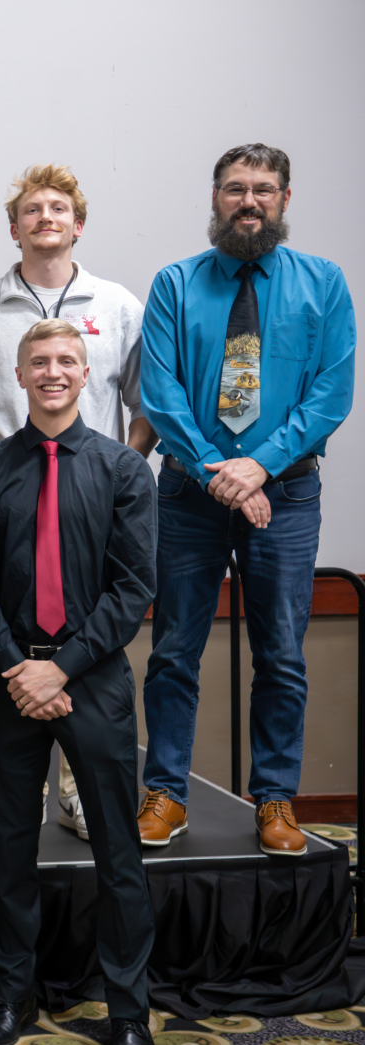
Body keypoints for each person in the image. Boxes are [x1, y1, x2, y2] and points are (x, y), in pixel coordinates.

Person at [139, 144, 356, 856]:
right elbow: (161, 394)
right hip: (188, 495)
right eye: (235, 189)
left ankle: (275, 801)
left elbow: (330, 394)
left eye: (263, 189)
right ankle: (167, 793)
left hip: (285, 496)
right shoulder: (174, 284)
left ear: (285, 199)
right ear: (215, 197)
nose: (248, 202)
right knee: (173, 649)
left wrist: (256, 468)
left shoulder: (323, 284)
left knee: (282, 656)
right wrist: (216, 471)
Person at [0, 320, 157, 1045]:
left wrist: (62, 667)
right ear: (18, 375)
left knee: (118, 850)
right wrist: (22, 667)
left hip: (94, 681)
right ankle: (11, 998)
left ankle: (129, 1010)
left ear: (85, 373)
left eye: (66, 361)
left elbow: (133, 588)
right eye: (38, 361)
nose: (51, 371)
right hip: (9, 680)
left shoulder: (124, 470)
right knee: (11, 848)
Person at [0, 164, 157, 843]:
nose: (46, 217)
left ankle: (76, 791)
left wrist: (116, 468)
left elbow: (144, 398)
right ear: (13, 228)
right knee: (12, 809)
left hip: (93, 505)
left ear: (78, 223)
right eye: (32, 209)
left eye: (59, 208)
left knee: (87, 656)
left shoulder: (120, 304)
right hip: (12, 495)